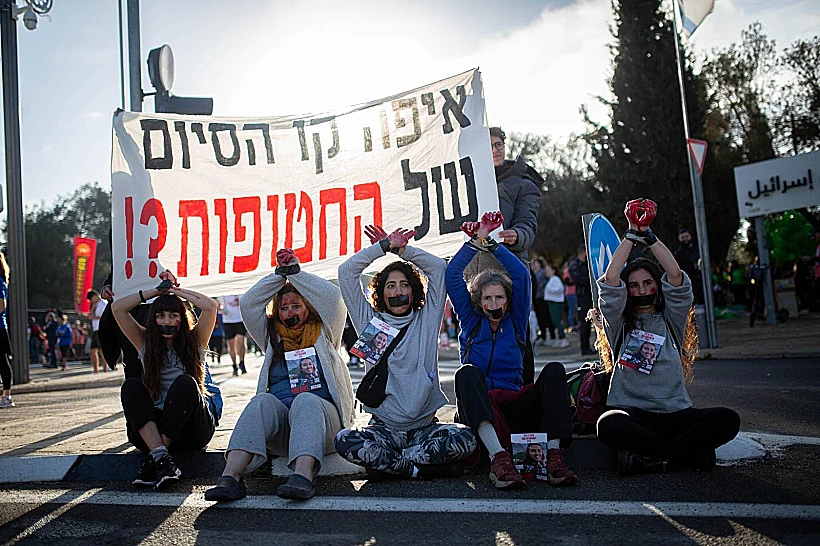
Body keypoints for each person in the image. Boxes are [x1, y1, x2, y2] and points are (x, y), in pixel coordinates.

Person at [595, 199, 741, 476]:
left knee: (728, 419)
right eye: (634, 285)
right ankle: (684, 455)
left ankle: (655, 458)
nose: (641, 290)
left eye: (648, 283)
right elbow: (611, 281)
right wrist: (629, 235)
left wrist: (649, 236)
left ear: (657, 286)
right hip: (632, 413)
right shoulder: (619, 323)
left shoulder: (671, 319)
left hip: (675, 413)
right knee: (608, 425)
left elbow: (675, 276)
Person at [205, 248, 354, 502]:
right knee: (260, 402)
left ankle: (303, 477)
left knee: (305, 400)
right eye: (284, 307)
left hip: (322, 425)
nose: (290, 312)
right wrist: (279, 275)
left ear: (308, 308)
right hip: (284, 430)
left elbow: (334, 298)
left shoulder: (325, 332)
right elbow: (250, 303)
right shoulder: (271, 337)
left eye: (297, 306)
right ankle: (230, 477)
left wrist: (296, 273)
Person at [334, 225, 477, 480]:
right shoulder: (369, 320)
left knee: (465, 439)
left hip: (424, 429)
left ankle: (394, 465)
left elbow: (437, 269)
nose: (397, 292)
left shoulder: (427, 319)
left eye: (403, 285)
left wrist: (403, 250)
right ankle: (416, 468)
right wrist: (382, 248)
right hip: (383, 430)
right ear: (381, 292)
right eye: (390, 286)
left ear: (413, 290)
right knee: (345, 440)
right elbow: (346, 273)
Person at [447, 212, 578, 489]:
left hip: (515, 402)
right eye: (487, 298)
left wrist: (493, 243)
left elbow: (520, 274)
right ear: (478, 302)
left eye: (499, 297)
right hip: (481, 407)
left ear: (508, 300)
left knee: (555, 370)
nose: (494, 303)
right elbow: (452, 275)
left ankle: (553, 454)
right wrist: (475, 239)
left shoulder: (516, 322)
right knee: (467, 374)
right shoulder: (471, 323)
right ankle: (498, 458)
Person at [112, 270, 221, 489]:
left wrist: (174, 291)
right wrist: (155, 292)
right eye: (161, 316)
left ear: (182, 318)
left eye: (173, 315)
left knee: (185, 383)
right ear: (153, 319)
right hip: (153, 430)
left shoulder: (195, 340)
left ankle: (158, 458)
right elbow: (118, 308)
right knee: (131, 386)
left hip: (191, 429)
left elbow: (210, 306)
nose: (167, 321)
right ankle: (161, 457)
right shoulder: (145, 342)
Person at [568, 246, 595, 356]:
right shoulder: (575, 265)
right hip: (582, 296)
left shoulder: (585, 264)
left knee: (589, 324)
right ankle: (585, 347)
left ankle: (588, 347)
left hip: (589, 295)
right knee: (584, 323)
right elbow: (578, 279)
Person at [219, 294, 247, 375]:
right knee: (231, 345)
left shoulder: (239, 292)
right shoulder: (223, 294)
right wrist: (221, 309)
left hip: (240, 319)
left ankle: (242, 362)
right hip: (228, 321)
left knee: (241, 341)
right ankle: (234, 365)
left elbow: (245, 303)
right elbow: (218, 305)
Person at [543, 263, 569, 348]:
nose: (547, 272)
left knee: (557, 321)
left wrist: (549, 289)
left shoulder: (555, 279)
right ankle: (560, 339)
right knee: (555, 321)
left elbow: (560, 289)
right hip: (551, 302)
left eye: (548, 270)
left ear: (553, 271)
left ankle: (563, 338)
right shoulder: (551, 279)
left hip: (555, 302)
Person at [674, 228, 702, 304]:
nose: (685, 239)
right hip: (687, 279)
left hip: (700, 278)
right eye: (683, 237)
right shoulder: (678, 253)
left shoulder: (698, 249)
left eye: (687, 236)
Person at [0, 253, 14, 408]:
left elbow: (2, 304)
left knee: (3, 361)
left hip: (0, 328)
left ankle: (7, 395)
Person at [530, 258, 553, 345]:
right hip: (536, 298)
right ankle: (543, 336)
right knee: (540, 318)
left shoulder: (542, 272)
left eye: (535, 264)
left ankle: (552, 335)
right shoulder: (534, 273)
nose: (534, 266)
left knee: (546, 316)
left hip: (543, 298)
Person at [87, 290, 108, 373]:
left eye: (91, 299)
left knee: (101, 349)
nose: (91, 301)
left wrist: (94, 317)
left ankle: (105, 368)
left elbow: (104, 317)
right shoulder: (95, 305)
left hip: (101, 328)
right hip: (95, 329)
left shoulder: (103, 304)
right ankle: (95, 369)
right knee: (93, 350)